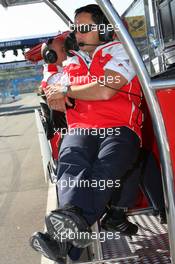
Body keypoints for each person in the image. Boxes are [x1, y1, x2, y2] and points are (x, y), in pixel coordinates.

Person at [30, 4, 143, 263]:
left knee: (105, 168)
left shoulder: (124, 52)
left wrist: (65, 90)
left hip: (120, 129)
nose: (77, 34)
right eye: (75, 29)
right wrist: (51, 90)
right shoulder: (71, 62)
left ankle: (60, 241)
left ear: (103, 30)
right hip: (81, 129)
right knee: (71, 164)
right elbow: (49, 86)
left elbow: (105, 90)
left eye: (83, 29)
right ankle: (65, 237)